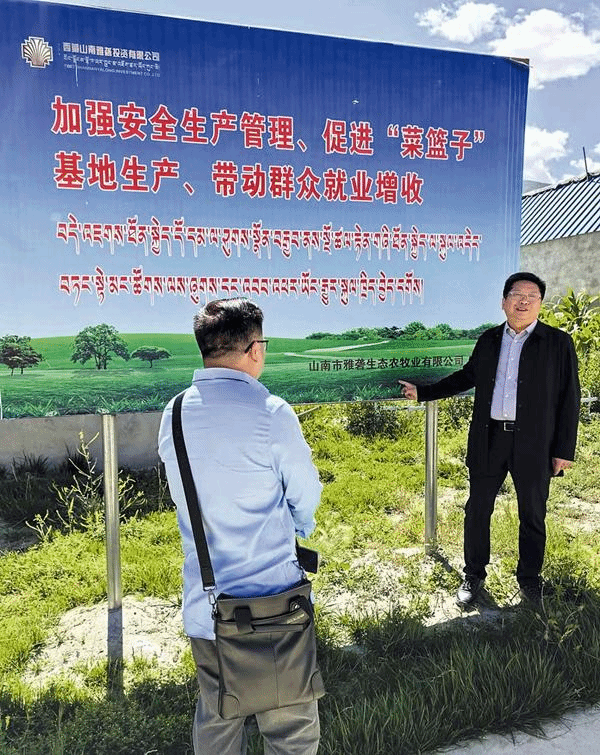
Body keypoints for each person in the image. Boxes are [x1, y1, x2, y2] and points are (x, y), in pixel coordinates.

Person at [158, 298, 322, 755]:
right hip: (277, 605)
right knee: (291, 730)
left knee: (218, 721)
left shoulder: (174, 413)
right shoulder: (271, 412)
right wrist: (299, 526)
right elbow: (306, 493)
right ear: (254, 349)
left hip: (209, 604)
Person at [399, 272, 580, 606]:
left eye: (532, 296)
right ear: (503, 302)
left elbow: (570, 397)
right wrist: (423, 393)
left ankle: (530, 580)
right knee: (477, 509)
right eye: (517, 294)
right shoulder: (489, 340)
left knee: (532, 514)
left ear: (540, 304)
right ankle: (473, 574)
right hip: (489, 438)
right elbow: (466, 377)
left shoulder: (557, 343)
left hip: (535, 444)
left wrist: (563, 449)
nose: (524, 301)